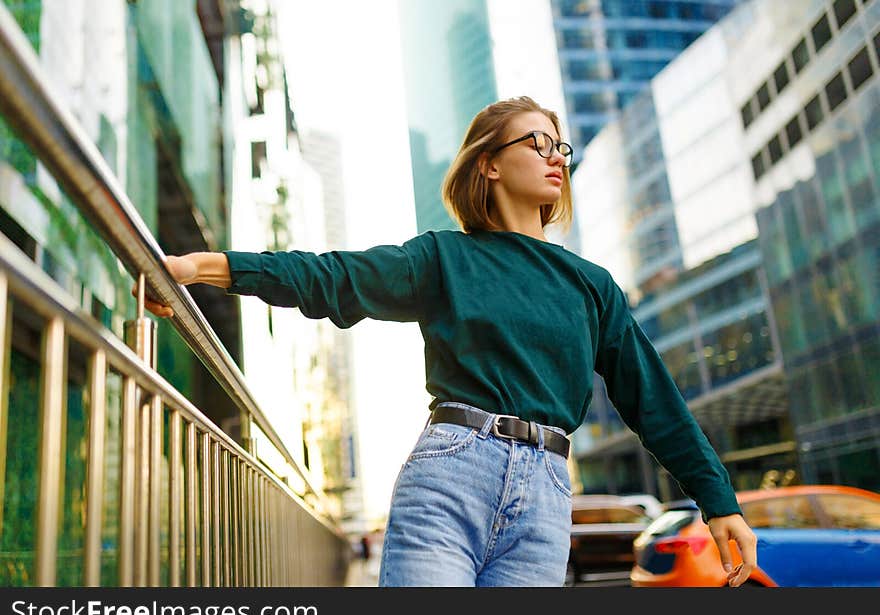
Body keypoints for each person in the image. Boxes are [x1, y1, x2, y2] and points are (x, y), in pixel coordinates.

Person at [140, 96, 757, 587]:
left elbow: (654, 400)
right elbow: (332, 275)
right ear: (489, 163)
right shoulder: (445, 258)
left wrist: (717, 498)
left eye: (559, 146)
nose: (555, 156)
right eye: (535, 142)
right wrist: (205, 268)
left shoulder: (591, 286)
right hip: (453, 474)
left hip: (545, 499)